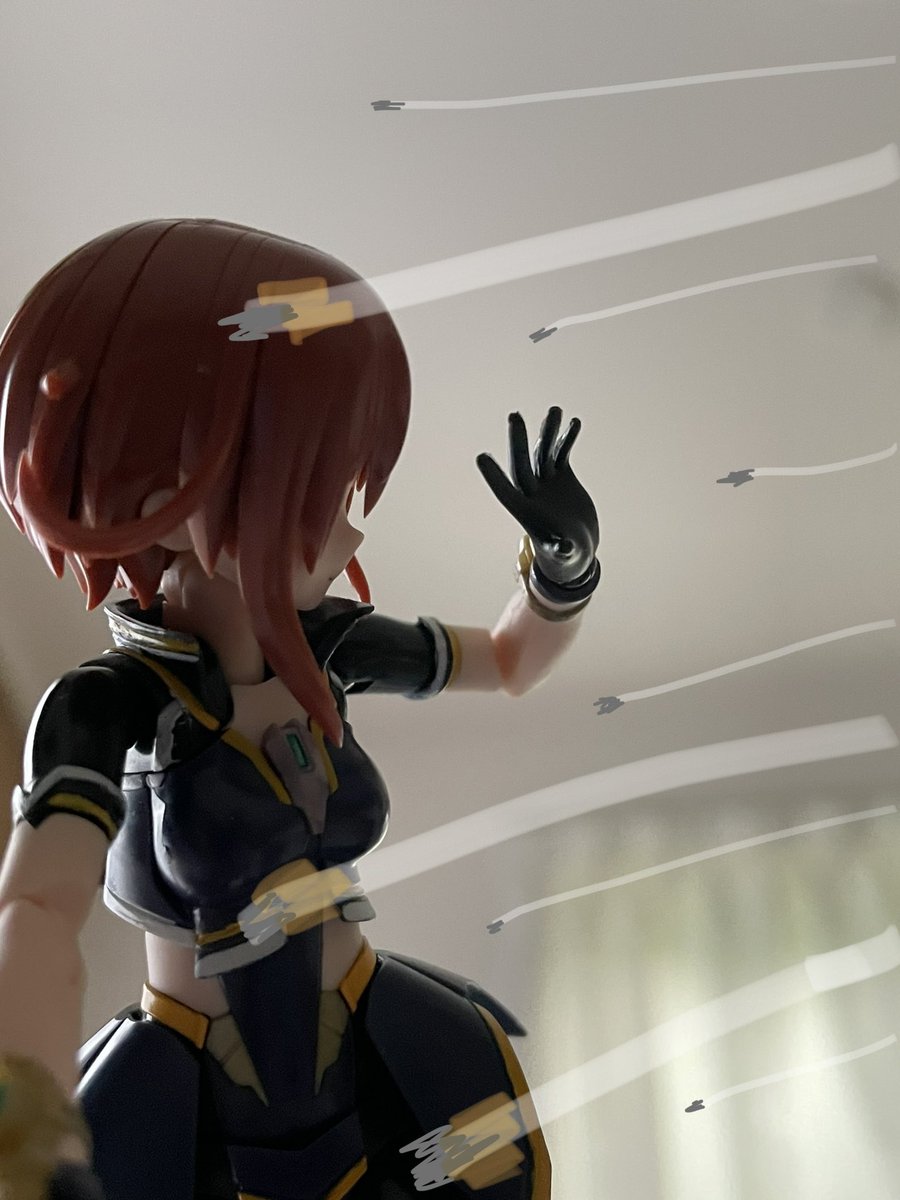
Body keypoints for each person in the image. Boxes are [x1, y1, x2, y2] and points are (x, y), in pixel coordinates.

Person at [0, 219, 601, 1199]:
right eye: (312, 486)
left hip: (381, 1043)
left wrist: (562, 573)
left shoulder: (333, 646)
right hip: (187, 1086)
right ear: (167, 492)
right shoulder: (104, 707)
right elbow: (34, 909)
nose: (350, 530)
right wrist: (26, 1125)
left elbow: (507, 660)